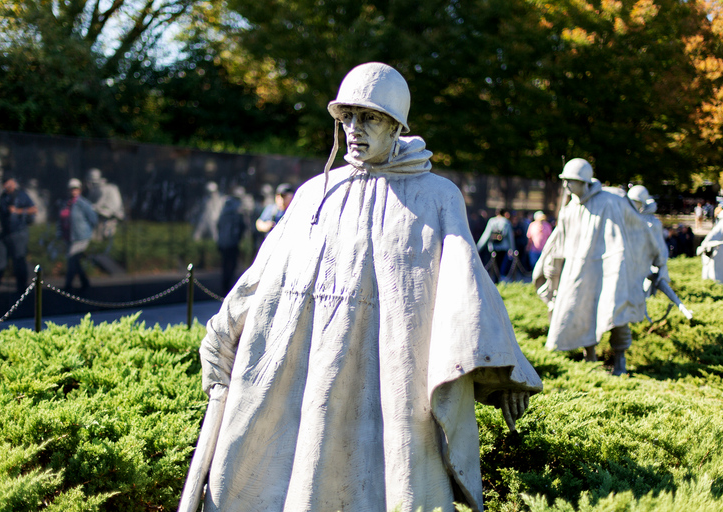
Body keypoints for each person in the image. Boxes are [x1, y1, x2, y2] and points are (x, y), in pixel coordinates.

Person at [187, 62, 542, 512]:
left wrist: (505, 369)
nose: (354, 129)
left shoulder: (436, 197)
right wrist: (221, 333)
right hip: (308, 372)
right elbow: (265, 275)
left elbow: (468, 288)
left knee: (388, 485)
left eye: (370, 117)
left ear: (396, 126)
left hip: (393, 381)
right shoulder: (315, 194)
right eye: (347, 117)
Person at [532, 158, 666, 375]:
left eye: (571, 181)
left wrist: (658, 262)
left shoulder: (610, 201)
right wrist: (552, 269)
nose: (566, 186)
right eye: (565, 181)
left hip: (609, 269)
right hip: (578, 272)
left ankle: (620, 360)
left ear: (584, 182)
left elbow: (638, 228)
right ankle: (590, 357)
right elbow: (558, 242)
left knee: (616, 313)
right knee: (581, 311)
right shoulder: (570, 209)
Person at [0, 175, 38, 294]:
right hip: (5, 232)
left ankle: (21, 288)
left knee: (18, 260)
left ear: (13, 182)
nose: (6, 185)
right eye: (4, 183)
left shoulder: (21, 195)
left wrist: (18, 211)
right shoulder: (3, 196)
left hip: (19, 232)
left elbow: (33, 209)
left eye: (8, 182)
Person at [59, 179, 98, 291]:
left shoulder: (83, 203)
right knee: (75, 261)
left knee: (72, 259)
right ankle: (85, 282)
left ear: (80, 190)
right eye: (71, 189)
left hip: (80, 237)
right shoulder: (65, 203)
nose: (73, 191)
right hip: (68, 236)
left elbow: (93, 218)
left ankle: (68, 285)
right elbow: (61, 220)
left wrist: (87, 231)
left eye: (76, 189)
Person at [698, 209, 723, 287]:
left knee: (720, 275)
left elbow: (711, 237)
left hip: (721, 252)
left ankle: (720, 289)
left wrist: (702, 247)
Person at [216, 194, 246, 293]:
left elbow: (219, 229)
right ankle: (228, 284)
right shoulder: (236, 216)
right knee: (231, 265)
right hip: (233, 244)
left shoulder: (222, 216)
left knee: (225, 265)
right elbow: (242, 229)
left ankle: (225, 284)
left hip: (224, 244)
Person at [85, 168, 125, 242]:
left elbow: (97, 205)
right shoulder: (111, 187)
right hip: (113, 216)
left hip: (108, 217)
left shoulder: (101, 189)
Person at [476, 207, 515, 281]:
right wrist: (512, 249)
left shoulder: (492, 221)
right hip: (503, 248)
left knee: (493, 265)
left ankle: (492, 280)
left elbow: (486, 235)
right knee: (500, 265)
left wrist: (478, 247)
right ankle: (498, 280)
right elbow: (510, 237)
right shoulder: (506, 222)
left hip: (493, 247)